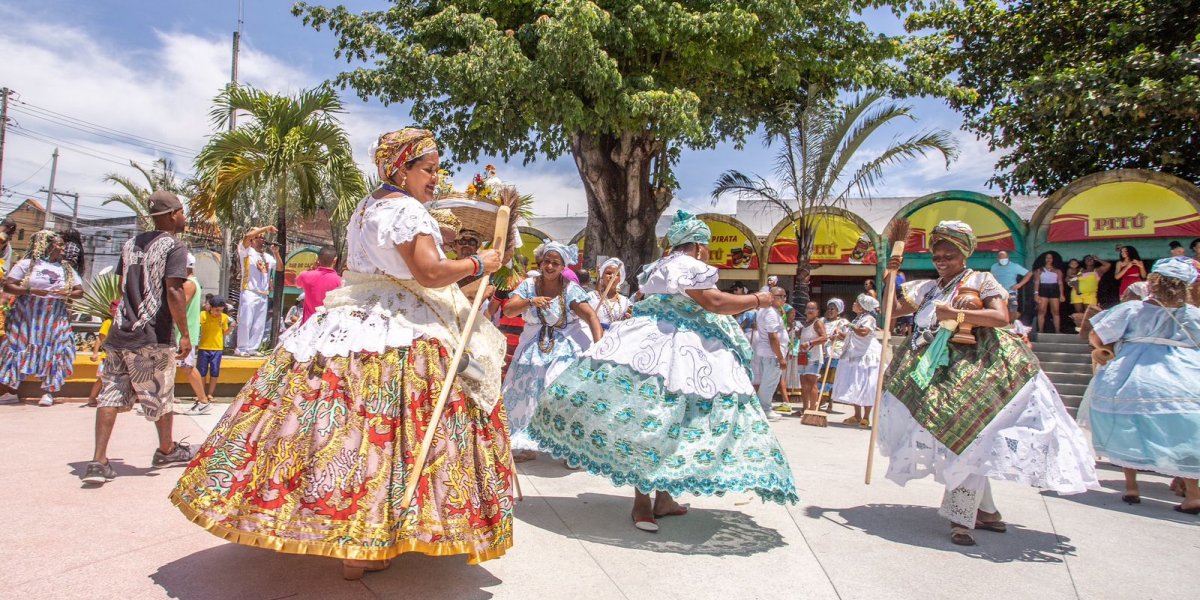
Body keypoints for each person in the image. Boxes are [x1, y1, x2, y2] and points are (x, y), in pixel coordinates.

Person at [170, 128, 514, 577]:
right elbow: (429, 273)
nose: (435, 178)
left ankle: (347, 544)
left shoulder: (367, 208)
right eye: (428, 170)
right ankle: (370, 543)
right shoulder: (406, 210)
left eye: (436, 170)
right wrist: (478, 264)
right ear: (400, 168)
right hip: (400, 328)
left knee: (350, 435)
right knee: (388, 438)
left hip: (349, 321)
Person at [528, 210, 798, 533]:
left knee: (669, 419)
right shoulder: (687, 265)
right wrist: (760, 299)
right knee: (656, 417)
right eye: (706, 247)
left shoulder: (661, 265)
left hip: (657, 344)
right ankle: (642, 502)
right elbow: (713, 302)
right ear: (697, 247)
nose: (707, 253)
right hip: (672, 351)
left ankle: (663, 498)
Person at [878, 221, 1098, 546]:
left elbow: (1000, 317)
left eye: (949, 254)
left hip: (978, 372)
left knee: (967, 438)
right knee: (966, 442)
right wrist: (889, 276)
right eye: (937, 255)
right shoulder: (927, 289)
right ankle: (988, 512)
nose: (942, 260)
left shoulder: (982, 280)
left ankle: (961, 519)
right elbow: (890, 313)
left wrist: (956, 315)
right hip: (934, 375)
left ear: (964, 254)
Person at [82, 191, 195, 485]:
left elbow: (121, 287)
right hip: (151, 333)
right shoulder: (174, 246)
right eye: (182, 212)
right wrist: (184, 333)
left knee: (109, 393)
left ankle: (99, 460)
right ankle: (166, 449)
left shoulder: (130, 244)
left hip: (121, 332)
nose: (184, 217)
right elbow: (173, 291)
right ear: (172, 215)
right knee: (160, 394)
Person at [1084, 258, 1200, 513]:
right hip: (1186, 378)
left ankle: (1132, 487)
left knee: (1128, 427)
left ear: (1154, 282)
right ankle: (1193, 493)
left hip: (1135, 378)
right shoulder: (1193, 314)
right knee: (1185, 434)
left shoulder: (1133, 309)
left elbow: (1096, 335)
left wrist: (1109, 349)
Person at [501, 241, 603, 461]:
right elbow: (509, 311)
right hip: (531, 349)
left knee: (561, 394)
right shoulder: (528, 285)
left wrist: (599, 348)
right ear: (540, 262)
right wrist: (530, 302)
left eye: (555, 263)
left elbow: (591, 317)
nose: (549, 266)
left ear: (563, 267)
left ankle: (570, 446)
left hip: (565, 348)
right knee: (527, 394)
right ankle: (529, 444)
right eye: (547, 261)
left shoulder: (571, 289)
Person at [0, 230, 84, 406]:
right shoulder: (27, 265)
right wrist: (31, 291)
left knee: (55, 350)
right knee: (18, 349)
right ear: (46, 245)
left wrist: (66, 292)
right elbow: (8, 285)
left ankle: (48, 392)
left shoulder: (66, 269)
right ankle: (10, 391)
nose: (63, 248)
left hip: (54, 317)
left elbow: (79, 291)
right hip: (26, 316)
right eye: (59, 244)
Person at [831, 294, 881, 427]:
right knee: (855, 384)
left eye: (856, 303)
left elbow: (863, 332)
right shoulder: (859, 318)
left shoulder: (869, 318)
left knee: (866, 385)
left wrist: (850, 326)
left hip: (866, 357)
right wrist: (839, 335)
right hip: (855, 355)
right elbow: (850, 337)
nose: (853, 304)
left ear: (863, 307)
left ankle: (866, 416)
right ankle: (857, 414)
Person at [235, 225, 280, 356]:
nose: (262, 240)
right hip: (249, 290)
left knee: (259, 323)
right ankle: (241, 348)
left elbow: (280, 268)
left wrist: (276, 253)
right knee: (246, 320)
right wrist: (266, 228)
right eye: (259, 237)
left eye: (263, 238)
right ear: (253, 239)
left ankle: (252, 347)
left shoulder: (266, 256)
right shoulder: (246, 251)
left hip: (263, 293)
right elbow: (247, 236)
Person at [751, 286, 790, 422]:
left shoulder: (767, 310)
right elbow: (772, 336)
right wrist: (780, 357)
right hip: (771, 354)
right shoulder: (770, 313)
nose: (784, 299)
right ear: (771, 297)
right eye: (781, 296)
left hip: (767, 352)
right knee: (770, 382)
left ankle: (763, 407)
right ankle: (765, 409)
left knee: (767, 382)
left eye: (785, 296)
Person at [179, 254, 210, 414]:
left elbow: (179, 306)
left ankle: (203, 401)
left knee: (188, 368)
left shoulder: (189, 284)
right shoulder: (192, 282)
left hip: (184, 333)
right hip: (184, 332)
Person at [794, 301, 828, 417]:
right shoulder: (805, 323)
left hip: (814, 357)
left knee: (812, 382)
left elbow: (824, 337)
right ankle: (805, 408)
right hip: (803, 356)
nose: (810, 310)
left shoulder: (817, 323)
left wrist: (809, 342)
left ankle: (813, 409)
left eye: (813, 308)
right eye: (808, 308)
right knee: (803, 383)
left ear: (817, 311)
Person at [86, 300, 120, 407]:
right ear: (110, 311)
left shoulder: (124, 323)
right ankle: (92, 397)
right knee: (102, 378)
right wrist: (95, 353)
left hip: (120, 356)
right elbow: (100, 339)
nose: (116, 313)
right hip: (107, 356)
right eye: (114, 311)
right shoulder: (108, 323)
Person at [295, 245, 342, 323]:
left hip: (307, 327)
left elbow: (296, 283)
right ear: (335, 260)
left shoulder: (305, 275)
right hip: (327, 327)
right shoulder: (340, 281)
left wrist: (310, 270)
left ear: (318, 259)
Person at [196, 296, 230, 403]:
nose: (218, 313)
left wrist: (230, 328)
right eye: (216, 310)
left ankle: (210, 393)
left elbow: (224, 332)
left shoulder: (224, 317)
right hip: (204, 347)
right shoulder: (203, 315)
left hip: (217, 348)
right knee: (202, 372)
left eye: (220, 310)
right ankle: (201, 394)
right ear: (210, 308)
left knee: (214, 372)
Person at [818, 299, 849, 409]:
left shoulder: (843, 322)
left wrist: (838, 335)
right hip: (822, 351)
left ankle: (830, 401)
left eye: (833, 309)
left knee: (831, 378)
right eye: (829, 308)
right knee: (820, 377)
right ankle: (820, 400)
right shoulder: (822, 321)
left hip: (835, 352)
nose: (830, 311)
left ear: (838, 311)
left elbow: (847, 336)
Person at [589, 257, 632, 330]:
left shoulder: (625, 301)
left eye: (617, 274)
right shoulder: (591, 297)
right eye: (608, 273)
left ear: (620, 279)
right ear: (602, 276)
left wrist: (627, 319)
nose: (612, 276)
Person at [990, 250, 1032, 321]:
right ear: (998, 259)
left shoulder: (1014, 266)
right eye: (1001, 259)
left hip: (1011, 291)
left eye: (1005, 258)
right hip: (998, 292)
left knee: (1013, 308)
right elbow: (991, 277)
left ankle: (1011, 324)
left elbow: (1029, 274)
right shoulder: (994, 267)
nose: (1003, 260)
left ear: (1008, 258)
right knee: (998, 309)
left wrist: (1019, 284)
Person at [1032, 251, 1067, 333]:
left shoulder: (1058, 270)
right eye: (1047, 258)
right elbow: (1037, 282)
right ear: (1044, 259)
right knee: (1041, 310)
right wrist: (1036, 294)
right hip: (1043, 289)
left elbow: (1060, 283)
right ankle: (1040, 330)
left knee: (1056, 311)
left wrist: (1062, 294)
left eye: (1050, 258)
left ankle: (1057, 331)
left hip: (1054, 289)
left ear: (1053, 259)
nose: (1048, 259)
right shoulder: (1039, 270)